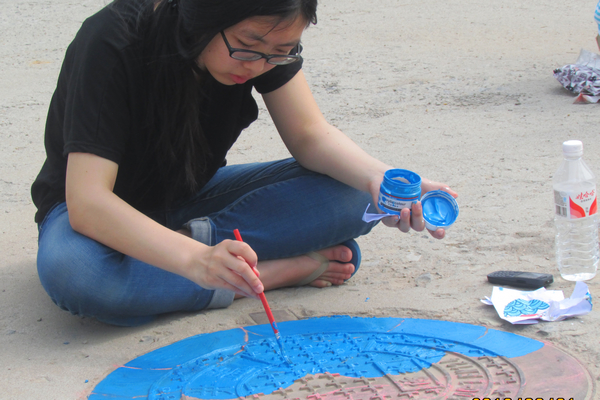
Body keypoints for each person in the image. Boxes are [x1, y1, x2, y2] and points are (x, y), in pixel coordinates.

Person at [31, 0, 458, 326]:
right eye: (248, 47)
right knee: (78, 275)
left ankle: (190, 260)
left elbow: (310, 135)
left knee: (355, 193)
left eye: (281, 52)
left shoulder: (264, 43)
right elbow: (89, 202)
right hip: (91, 217)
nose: (257, 66)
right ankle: (267, 273)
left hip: (191, 200)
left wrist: (379, 179)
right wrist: (196, 260)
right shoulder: (114, 39)